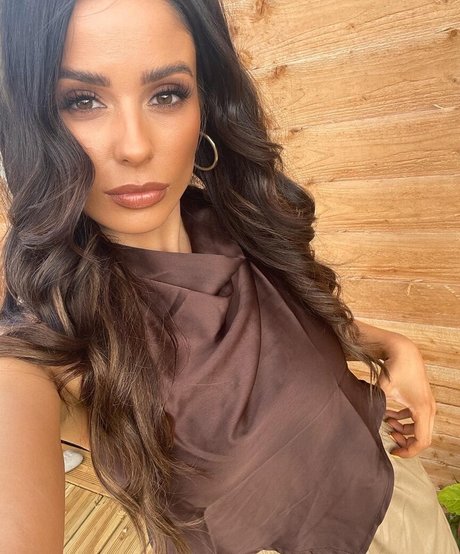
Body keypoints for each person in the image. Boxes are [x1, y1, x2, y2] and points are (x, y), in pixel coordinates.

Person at [0, 1, 457, 553]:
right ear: (30, 124)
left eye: (167, 94)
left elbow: (285, 332)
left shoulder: (235, 220)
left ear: (205, 105)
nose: (135, 146)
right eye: (81, 101)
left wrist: (391, 345)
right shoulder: (45, 346)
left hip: (397, 497)